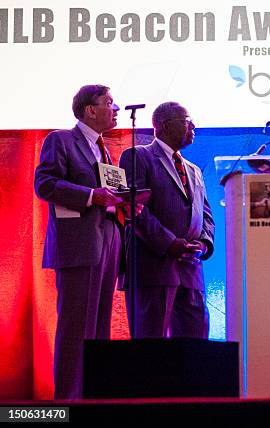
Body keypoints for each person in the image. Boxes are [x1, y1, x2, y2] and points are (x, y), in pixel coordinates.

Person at [34, 84, 123, 399]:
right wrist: (91, 196)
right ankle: (70, 401)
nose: (117, 109)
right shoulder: (61, 140)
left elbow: (107, 194)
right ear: (90, 109)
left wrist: (124, 202)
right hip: (78, 243)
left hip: (108, 237)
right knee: (75, 326)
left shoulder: (104, 148)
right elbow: (45, 184)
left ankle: (96, 395)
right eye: (110, 103)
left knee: (99, 323)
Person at [119, 101, 214, 339]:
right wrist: (170, 243)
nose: (193, 125)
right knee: (151, 348)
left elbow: (206, 214)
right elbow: (134, 208)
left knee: (195, 345)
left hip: (190, 268)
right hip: (153, 268)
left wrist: (204, 243)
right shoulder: (136, 156)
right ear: (162, 126)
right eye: (186, 120)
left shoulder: (193, 169)